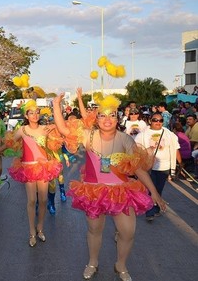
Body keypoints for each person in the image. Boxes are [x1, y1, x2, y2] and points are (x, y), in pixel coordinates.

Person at [52, 93, 166, 281]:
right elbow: (64, 130)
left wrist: (155, 193)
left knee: (128, 232)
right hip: (94, 191)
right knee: (94, 230)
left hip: (121, 191)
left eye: (112, 115)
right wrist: (56, 104)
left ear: (117, 117)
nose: (107, 119)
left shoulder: (125, 140)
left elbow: (138, 169)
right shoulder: (88, 136)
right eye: (103, 115)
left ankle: (120, 265)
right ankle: (93, 262)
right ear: (96, 118)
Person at [8, 100, 63, 247]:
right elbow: (9, 143)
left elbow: (61, 126)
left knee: (43, 200)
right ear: (26, 114)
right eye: (31, 112)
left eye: (37, 112)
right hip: (28, 168)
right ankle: (32, 232)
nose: (34, 115)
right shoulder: (22, 130)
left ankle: (40, 228)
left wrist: (58, 105)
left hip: (43, 167)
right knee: (32, 200)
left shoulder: (45, 128)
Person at [135, 112, 180, 220]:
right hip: (148, 167)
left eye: (160, 120)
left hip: (164, 166)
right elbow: (136, 151)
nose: (158, 122)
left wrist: (178, 165)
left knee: (158, 189)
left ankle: (155, 208)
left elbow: (175, 149)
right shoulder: (142, 135)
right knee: (151, 189)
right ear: (150, 121)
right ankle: (150, 212)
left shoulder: (169, 134)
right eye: (155, 120)